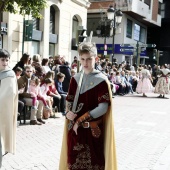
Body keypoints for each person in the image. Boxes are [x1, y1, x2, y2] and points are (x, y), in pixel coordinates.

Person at [59, 42, 117, 170]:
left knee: (95, 164)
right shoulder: (75, 79)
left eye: (89, 59)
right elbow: (69, 102)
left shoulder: (101, 80)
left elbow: (103, 108)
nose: (86, 62)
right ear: (79, 59)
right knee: (73, 164)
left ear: (96, 59)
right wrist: (68, 112)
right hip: (75, 132)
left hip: (93, 130)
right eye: (83, 59)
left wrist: (80, 120)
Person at [0, 49, 18, 166]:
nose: (5, 62)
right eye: (2, 59)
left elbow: (9, 95)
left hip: (3, 111)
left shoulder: (10, 75)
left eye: (7, 60)